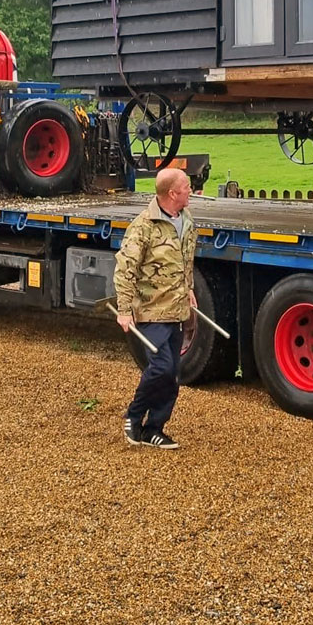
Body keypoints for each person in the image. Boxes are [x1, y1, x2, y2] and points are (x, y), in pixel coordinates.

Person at [114, 166, 197, 449]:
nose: (191, 190)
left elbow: (186, 260)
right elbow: (125, 269)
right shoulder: (143, 227)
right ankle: (133, 414)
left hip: (176, 311)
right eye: (186, 186)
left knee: (173, 374)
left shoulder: (186, 221)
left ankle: (153, 428)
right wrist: (124, 309)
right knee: (161, 367)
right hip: (151, 310)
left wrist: (190, 289)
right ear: (173, 193)